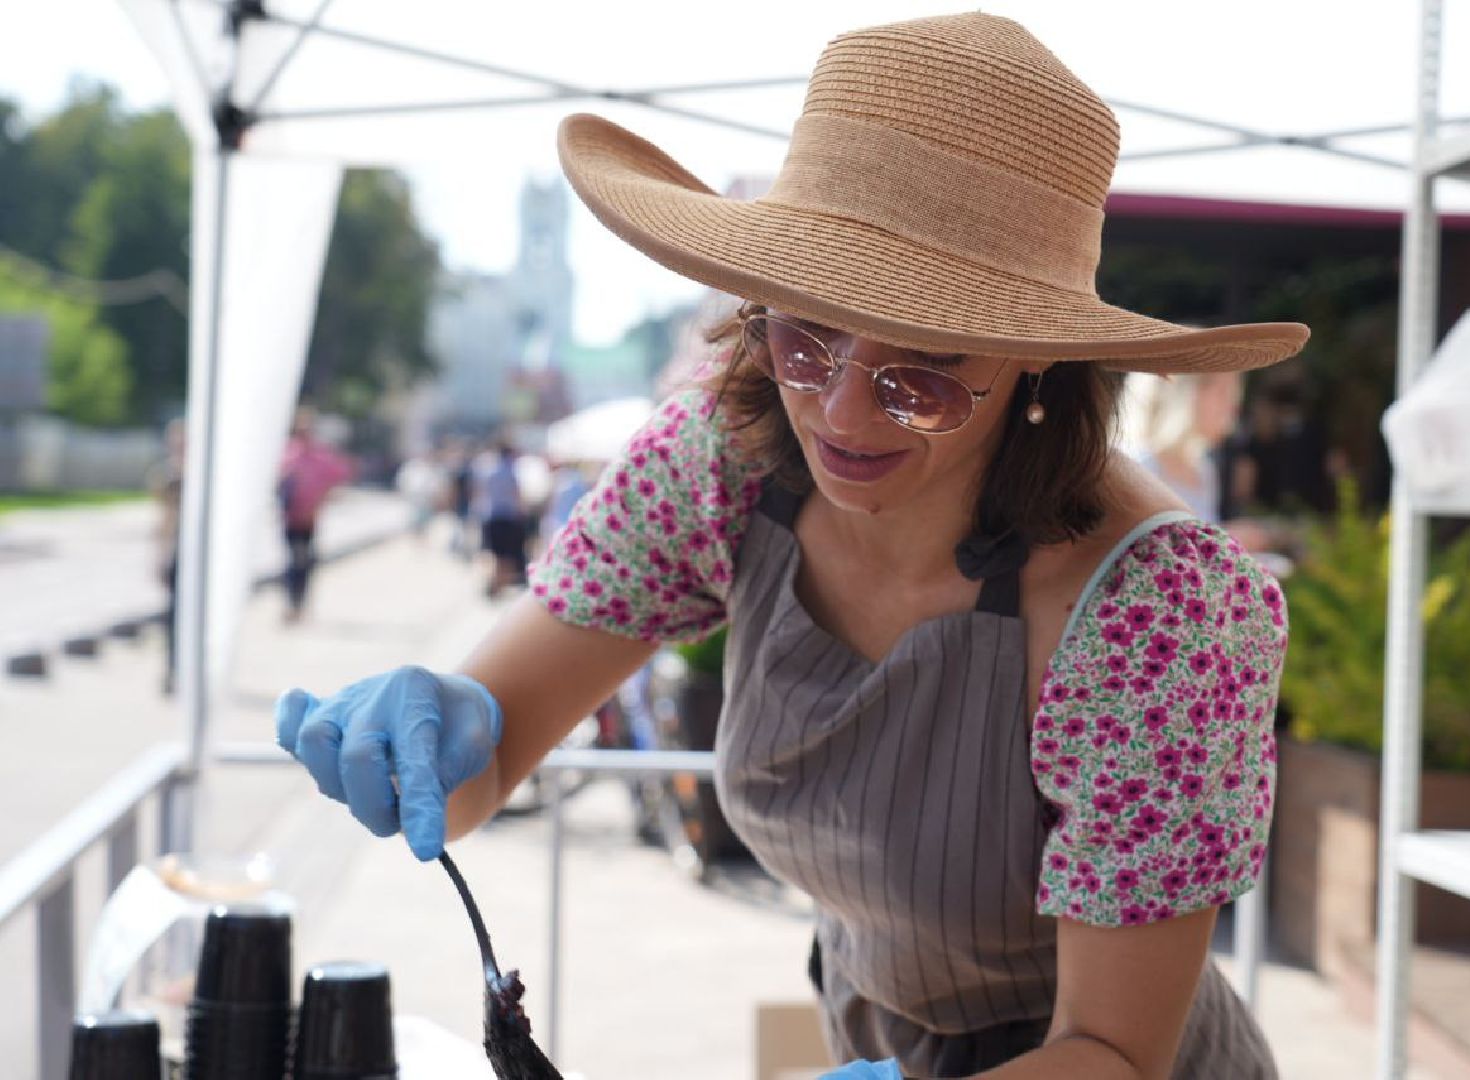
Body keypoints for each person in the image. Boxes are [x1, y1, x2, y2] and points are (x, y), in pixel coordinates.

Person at [274, 15, 1308, 1078]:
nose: (845, 415)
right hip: (875, 1034)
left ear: (1038, 359)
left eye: (927, 373)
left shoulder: (1161, 611)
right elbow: (482, 770)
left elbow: (1113, 1052)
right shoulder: (720, 461)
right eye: (808, 337)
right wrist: (437, 735)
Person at [1119, 371, 1271, 555]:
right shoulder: (1137, 467)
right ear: (1183, 393)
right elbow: (1137, 556)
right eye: (1222, 392)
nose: (1232, 406)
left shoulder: (1204, 469)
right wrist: (1226, 539)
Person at [276, 408, 353, 623]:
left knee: (305, 562)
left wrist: (321, 501)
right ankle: (291, 603)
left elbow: (339, 478)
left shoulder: (321, 456)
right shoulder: (287, 453)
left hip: (310, 519)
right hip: (290, 517)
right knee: (293, 561)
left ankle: (299, 603)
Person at [148, 417, 186, 695]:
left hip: (202, 557)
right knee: (173, 615)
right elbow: (164, 518)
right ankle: (173, 669)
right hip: (178, 549)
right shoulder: (168, 475)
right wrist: (159, 554)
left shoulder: (209, 474)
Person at [472, 440, 529, 598]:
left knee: (494, 552)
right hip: (507, 517)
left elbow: (480, 493)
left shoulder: (488, 470)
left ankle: (494, 582)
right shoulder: (509, 471)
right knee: (507, 554)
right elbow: (516, 494)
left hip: (490, 515)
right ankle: (499, 583)